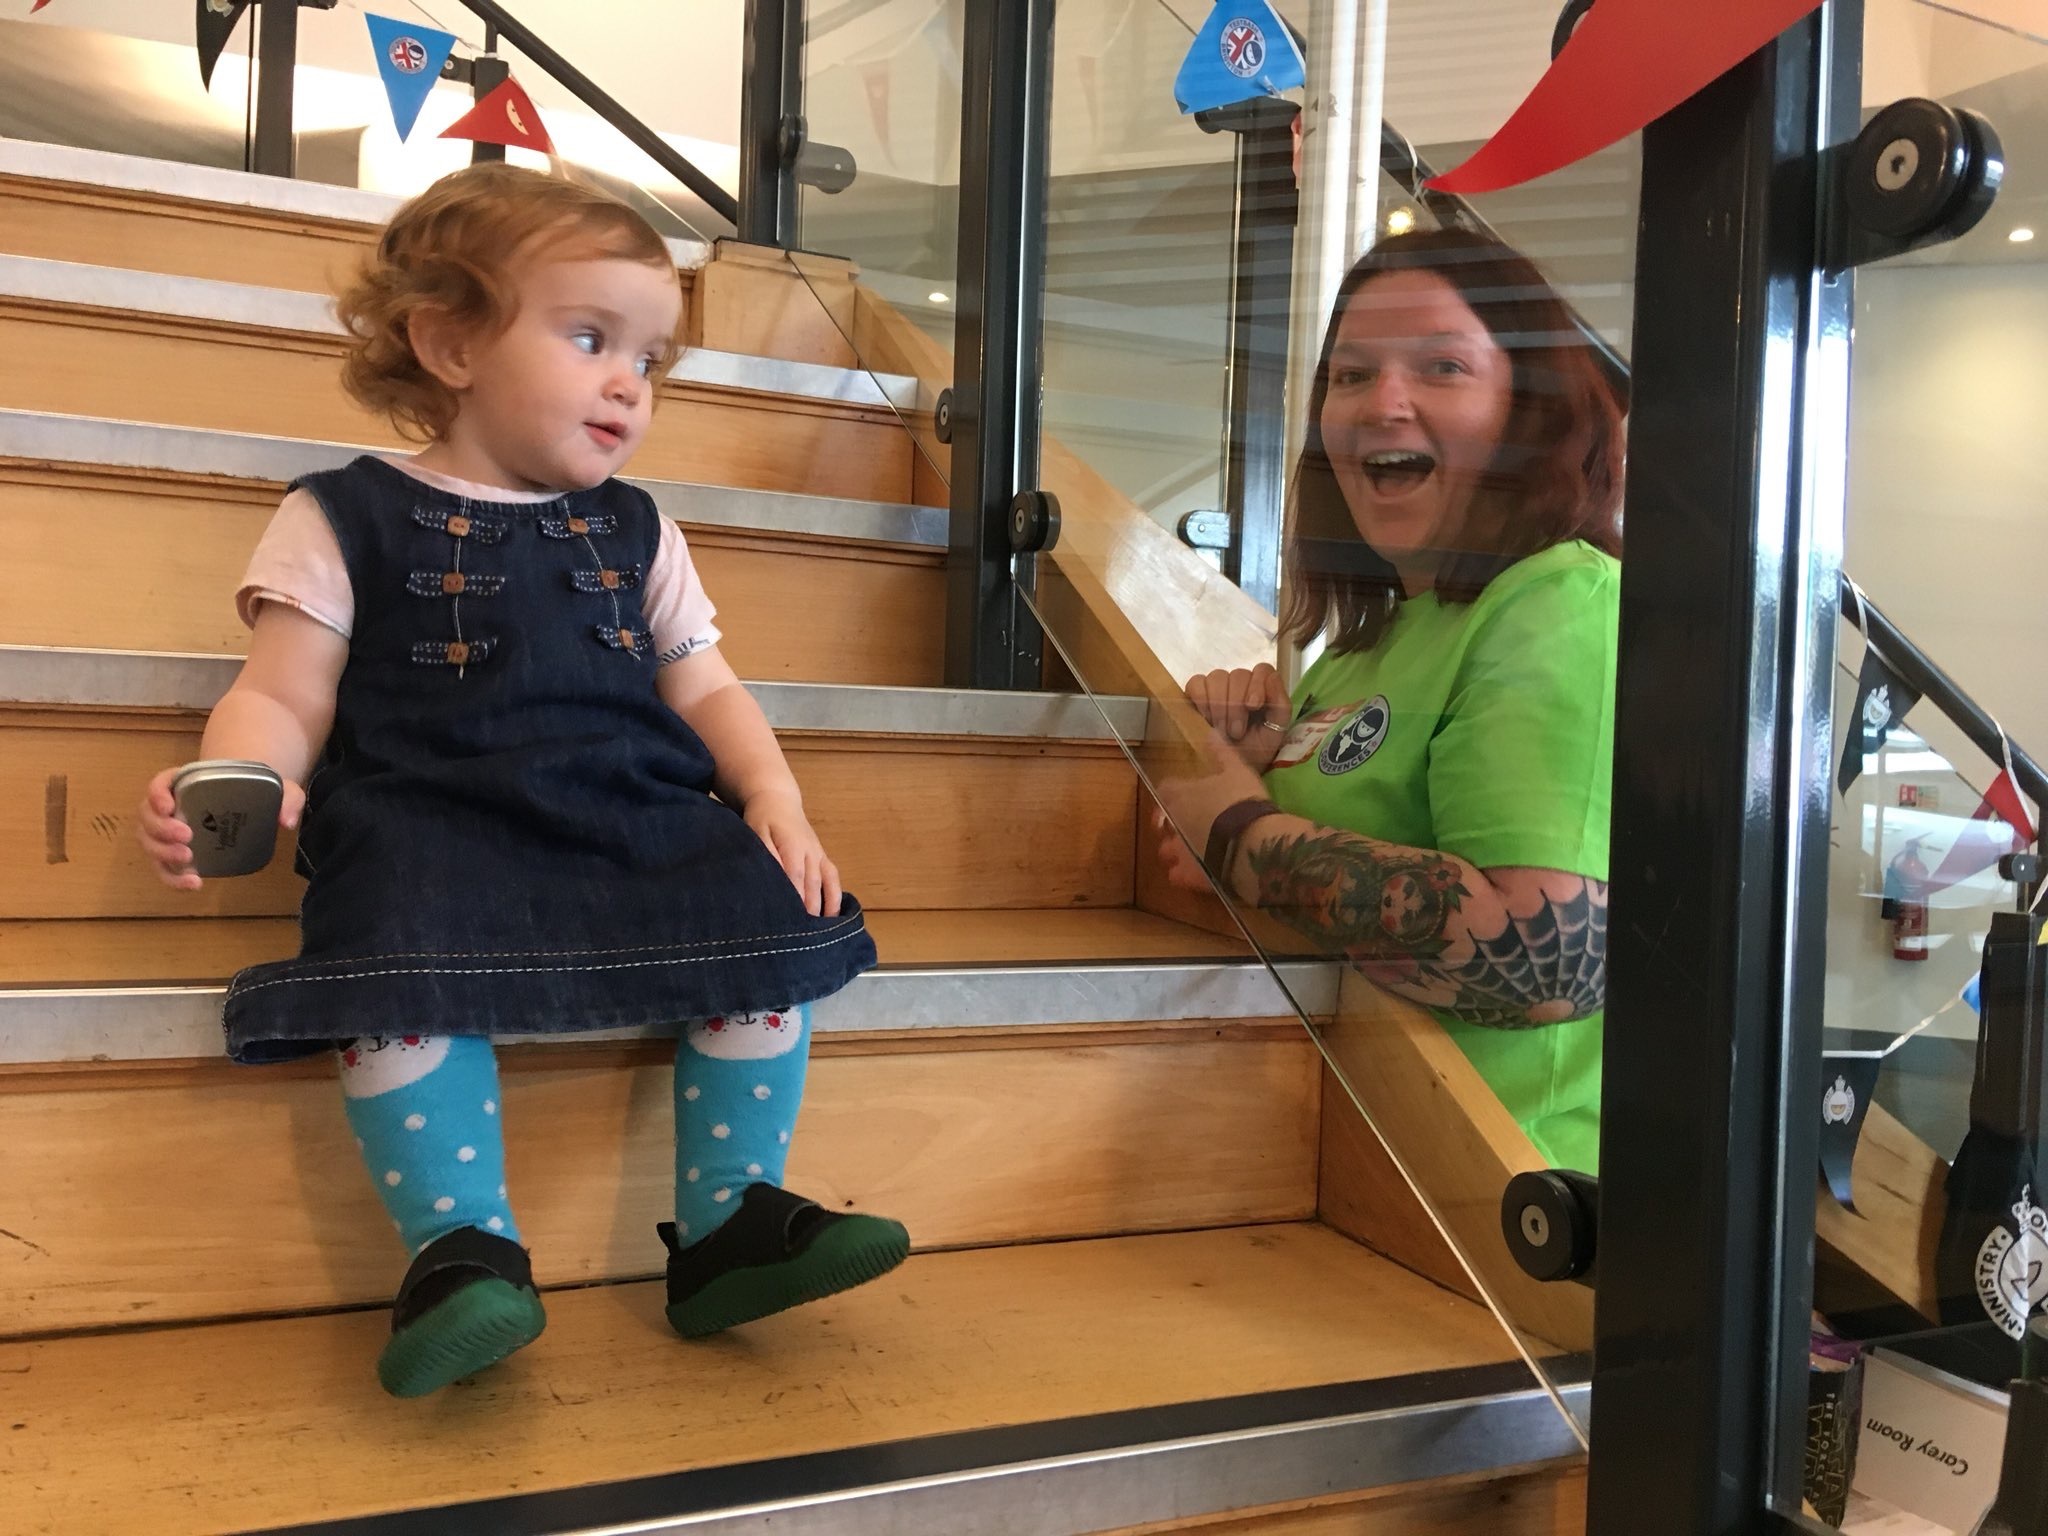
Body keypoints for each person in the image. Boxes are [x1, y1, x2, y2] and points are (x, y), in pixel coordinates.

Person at [133, 164, 909, 1399]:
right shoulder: (343, 514)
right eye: (591, 337)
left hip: (627, 809)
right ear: (447, 342)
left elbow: (701, 685)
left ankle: (727, 1223)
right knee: (385, 938)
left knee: (760, 912)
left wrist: (771, 795)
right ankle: (459, 1248)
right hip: (429, 815)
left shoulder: (640, 528)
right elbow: (285, 690)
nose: (627, 385)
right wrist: (246, 777)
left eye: (650, 360)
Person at [1162, 227, 1624, 1172]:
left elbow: (1549, 964)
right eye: (1351, 375)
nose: (1385, 403)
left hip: (1503, 1197)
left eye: (1442, 367)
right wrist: (1251, 765)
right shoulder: (1368, 644)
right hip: (1347, 1158)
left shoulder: (1560, 603)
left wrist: (1238, 828)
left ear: (1525, 413)